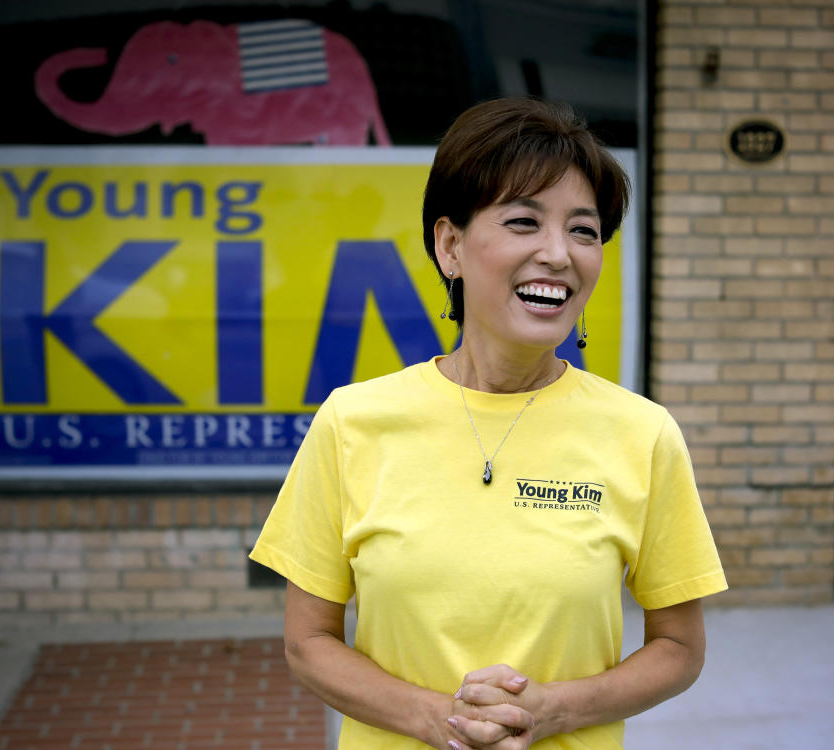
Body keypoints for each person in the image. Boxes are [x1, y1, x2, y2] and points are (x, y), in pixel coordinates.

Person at [250, 97, 727, 750]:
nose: (559, 254)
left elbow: (678, 647)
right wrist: (438, 719)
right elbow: (308, 642)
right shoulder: (352, 422)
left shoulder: (642, 434)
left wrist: (553, 711)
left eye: (584, 231)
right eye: (525, 221)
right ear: (450, 245)